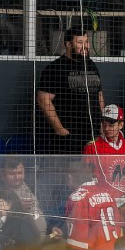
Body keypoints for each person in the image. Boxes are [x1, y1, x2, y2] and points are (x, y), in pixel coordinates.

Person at [36, 27, 105, 155]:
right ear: (68, 44)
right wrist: (60, 129)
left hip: (92, 134)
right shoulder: (55, 68)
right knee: (70, 172)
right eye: (80, 42)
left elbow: (99, 95)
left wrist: (102, 123)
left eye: (86, 41)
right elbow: (43, 100)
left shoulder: (91, 65)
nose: (85, 46)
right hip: (69, 137)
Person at [83, 104, 125, 198]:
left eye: (111, 125)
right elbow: (85, 178)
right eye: (104, 125)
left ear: (121, 125)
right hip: (102, 198)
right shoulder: (92, 147)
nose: (107, 129)